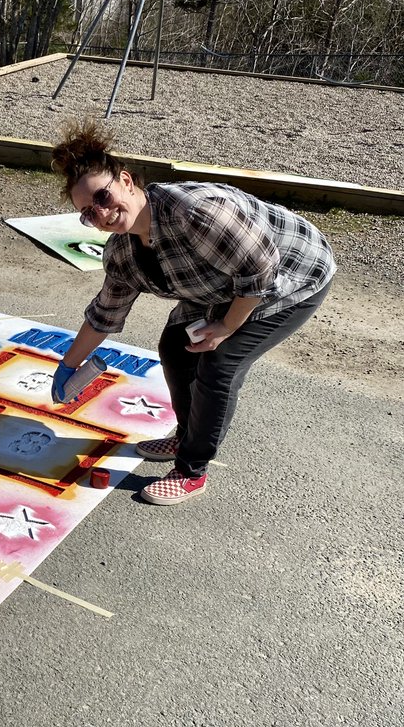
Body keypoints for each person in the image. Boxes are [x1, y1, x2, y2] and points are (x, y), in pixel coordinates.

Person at [49, 119, 336, 505]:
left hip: (292, 276)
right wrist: (68, 364)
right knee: (173, 346)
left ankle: (191, 471)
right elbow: (104, 313)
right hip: (224, 283)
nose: (101, 213)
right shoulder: (123, 252)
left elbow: (260, 269)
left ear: (127, 181)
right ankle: (186, 434)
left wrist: (226, 326)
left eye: (102, 197)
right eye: (87, 213)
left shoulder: (194, 211)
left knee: (219, 363)